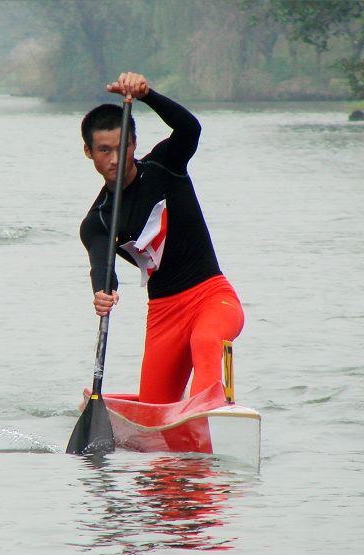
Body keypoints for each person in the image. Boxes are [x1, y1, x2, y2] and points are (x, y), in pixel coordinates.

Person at [79, 72, 244, 405]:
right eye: (103, 150)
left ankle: (210, 412)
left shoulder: (165, 165)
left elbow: (190, 129)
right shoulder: (98, 221)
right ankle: (108, 404)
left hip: (212, 297)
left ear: (133, 144)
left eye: (120, 147)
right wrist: (102, 292)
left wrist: (147, 95)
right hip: (164, 315)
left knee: (207, 339)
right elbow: (103, 268)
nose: (113, 159)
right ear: (89, 152)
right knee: (156, 405)